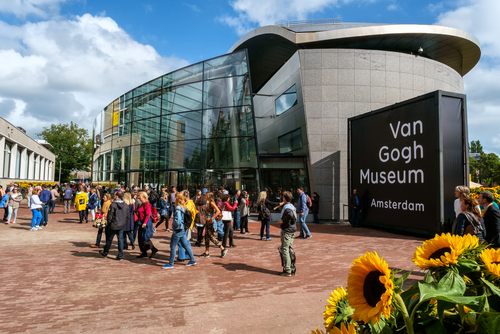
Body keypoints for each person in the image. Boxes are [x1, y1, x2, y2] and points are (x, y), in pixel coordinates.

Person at [162, 193, 197, 269]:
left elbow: (178, 221)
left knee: (173, 246)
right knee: (185, 245)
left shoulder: (178, 208)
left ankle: (171, 263)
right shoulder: (184, 206)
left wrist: (174, 226)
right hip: (183, 228)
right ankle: (192, 259)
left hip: (178, 229)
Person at [99, 192, 129, 260]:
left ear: (116, 196)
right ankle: (120, 255)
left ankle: (105, 253)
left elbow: (110, 216)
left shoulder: (113, 205)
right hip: (121, 225)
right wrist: (124, 223)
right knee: (120, 240)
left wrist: (108, 223)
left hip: (113, 225)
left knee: (109, 240)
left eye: (114, 195)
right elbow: (127, 216)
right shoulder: (125, 205)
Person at [200, 192, 227, 258]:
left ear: (208, 196)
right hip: (208, 222)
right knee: (206, 236)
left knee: (211, 236)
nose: (205, 196)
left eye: (206, 195)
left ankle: (222, 248)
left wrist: (212, 218)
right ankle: (206, 252)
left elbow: (218, 211)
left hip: (210, 222)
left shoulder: (211, 203)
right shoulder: (208, 203)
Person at [278, 191, 297, 277]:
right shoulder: (292, 206)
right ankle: (291, 267)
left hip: (287, 230)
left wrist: (283, 222)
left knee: (284, 249)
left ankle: (288, 269)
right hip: (292, 229)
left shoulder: (287, 207)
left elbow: (289, 215)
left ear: (284, 199)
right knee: (289, 248)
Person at [136, 191, 158, 258]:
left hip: (146, 222)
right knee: (140, 238)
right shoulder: (143, 204)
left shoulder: (147, 204)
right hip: (141, 222)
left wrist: (145, 223)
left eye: (140, 196)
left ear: (144, 197)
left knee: (145, 238)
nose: (139, 198)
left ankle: (153, 249)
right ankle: (144, 252)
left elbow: (148, 214)